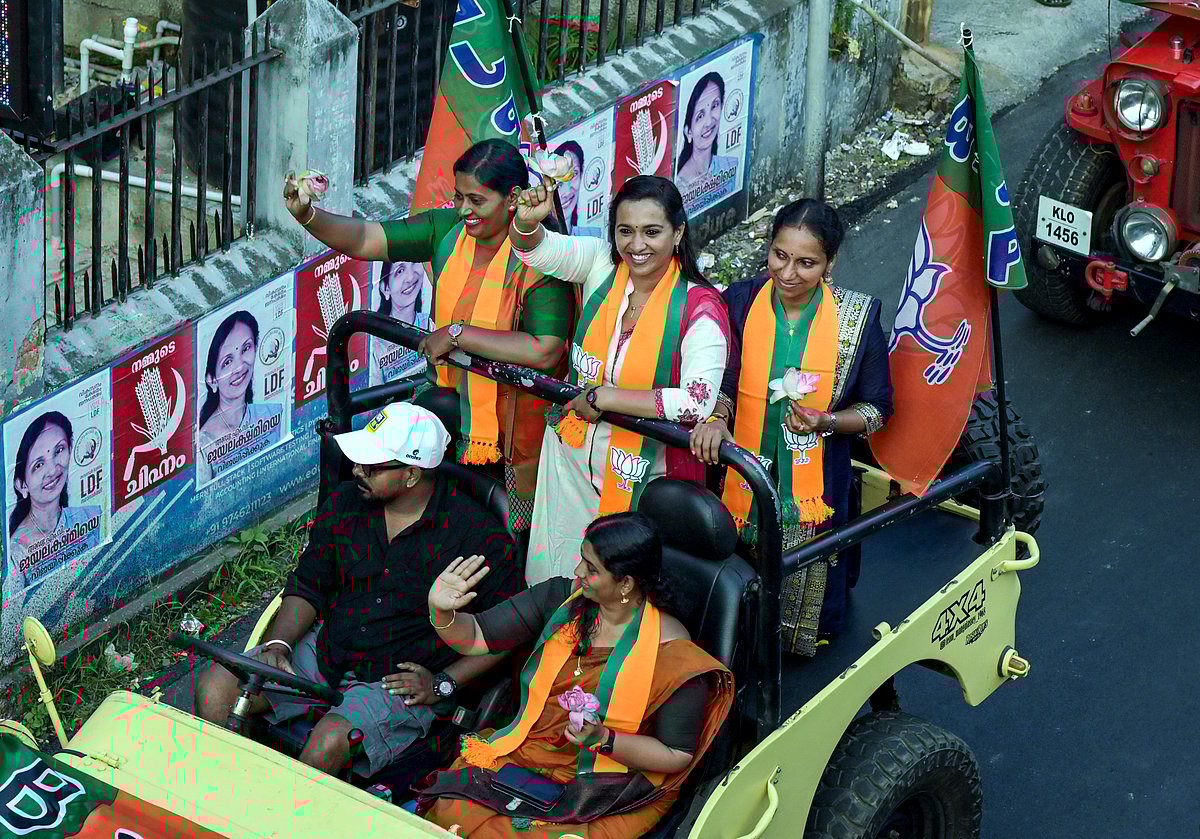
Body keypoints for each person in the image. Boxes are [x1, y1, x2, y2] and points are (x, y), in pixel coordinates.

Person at [193, 402, 523, 776]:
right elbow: (308, 583)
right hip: (328, 650)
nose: (356, 471)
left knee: (326, 746)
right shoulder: (347, 502)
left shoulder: (478, 537)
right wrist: (278, 645)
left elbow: (509, 630)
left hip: (398, 681)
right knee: (215, 688)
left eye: (371, 466)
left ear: (412, 475)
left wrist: (444, 684)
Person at [284, 139, 574, 533]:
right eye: (459, 198)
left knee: (510, 535)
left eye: (477, 200)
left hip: (515, 434)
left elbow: (545, 350)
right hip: (449, 406)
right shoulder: (446, 231)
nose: (464, 210)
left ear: (513, 199)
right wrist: (308, 215)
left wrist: (457, 335)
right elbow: (366, 239)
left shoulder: (543, 256)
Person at [415, 512, 734, 838]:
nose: (578, 572)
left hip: (610, 785)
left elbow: (676, 755)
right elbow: (478, 636)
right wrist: (442, 611)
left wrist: (603, 739)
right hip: (528, 752)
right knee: (453, 812)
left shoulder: (672, 652)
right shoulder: (560, 600)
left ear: (625, 583)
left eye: (592, 569)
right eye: (582, 560)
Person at [689, 199, 893, 656]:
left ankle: (799, 641)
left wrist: (828, 421)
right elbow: (724, 375)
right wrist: (719, 417)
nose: (788, 273)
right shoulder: (739, 301)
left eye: (807, 262)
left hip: (818, 479)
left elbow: (878, 408)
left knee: (810, 583)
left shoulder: (858, 319)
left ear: (830, 262)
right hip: (740, 468)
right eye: (780, 255)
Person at [508, 175, 730, 584]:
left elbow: (696, 401)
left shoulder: (700, 307)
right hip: (569, 458)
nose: (636, 245)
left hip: (637, 472)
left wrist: (605, 398)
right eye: (625, 231)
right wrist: (525, 223)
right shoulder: (600, 263)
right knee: (553, 578)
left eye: (652, 232)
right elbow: (533, 250)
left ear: (678, 232)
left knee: (615, 590)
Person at [6, 412, 104, 592]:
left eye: (59, 450)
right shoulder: (16, 551)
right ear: (22, 485)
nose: (52, 470)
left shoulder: (91, 516)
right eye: (38, 465)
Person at [196, 310, 284, 484]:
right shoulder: (204, 446)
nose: (240, 366)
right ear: (212, 380)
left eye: (246, 349)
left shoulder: (273, 413)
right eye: (227, 362)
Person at [674, 73, 740, 212]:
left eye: (715, 105)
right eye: (700, 116)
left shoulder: (730, 165)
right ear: (688, 131)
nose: (709, 122)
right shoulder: (678, 186)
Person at [370, 260, 433, 385]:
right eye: (400, 271)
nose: (410, 277)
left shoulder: (430, 323)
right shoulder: (375, 344)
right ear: (385, 288)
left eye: (414, 263)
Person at [553, 140, 604, 238]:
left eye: (574, 174)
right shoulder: (540, 242)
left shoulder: (595, 236)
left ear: (582, 171)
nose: (567, 192)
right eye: (558, 182)